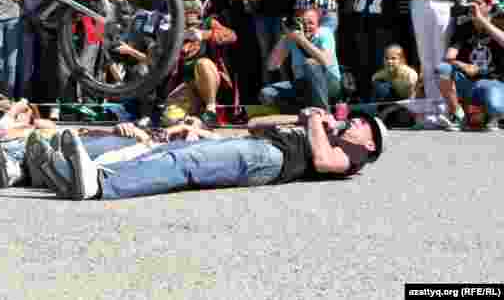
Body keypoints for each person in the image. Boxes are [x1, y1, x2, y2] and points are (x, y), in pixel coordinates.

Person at [42, 110, 386, 200]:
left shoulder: (349, 159)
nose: (355, 120)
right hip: (259, 144)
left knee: (186, 164)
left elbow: (324, 162)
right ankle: (83, 173)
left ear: (369, 145)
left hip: (270, 159)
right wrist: (299, 116)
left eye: (363, 124)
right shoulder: (322, 132)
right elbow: (255, 123)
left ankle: (99, 185)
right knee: (169, 151)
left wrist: (313, 123)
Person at [435, 0, 504, 131]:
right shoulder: (464, 27)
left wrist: (482, 20)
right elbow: (449, 58)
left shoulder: (500, 23)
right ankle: (458, 115)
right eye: (471, 3)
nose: (474, 8)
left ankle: (491, 115)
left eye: (478, 4)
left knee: (496, 106)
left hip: (492, 82)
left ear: (490, 5)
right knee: (442, 69)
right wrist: (463, 65)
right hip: (468, 82)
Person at [260, 8, 343, 112]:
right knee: (267, 93)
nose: (306, 27)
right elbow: (271, 66)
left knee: (311, 64)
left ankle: (323, 115)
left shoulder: (325, 33)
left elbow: (325, 61)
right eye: (302, 23)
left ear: (318, 24)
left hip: (329, 83)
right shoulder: (293, 36)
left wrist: (301, 39)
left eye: (311, 23)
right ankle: (303, 113)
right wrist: (285, 36)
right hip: (303, 85)